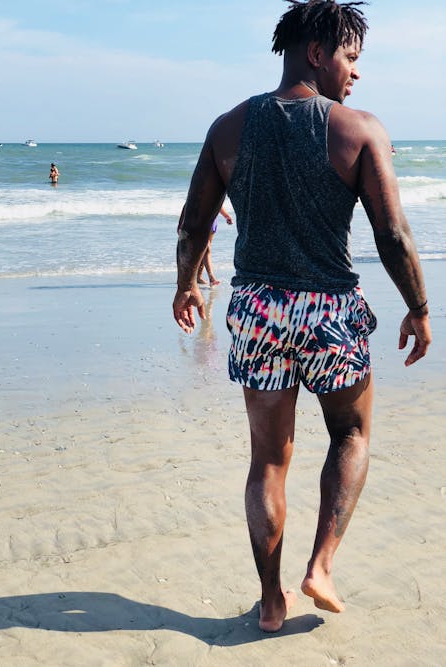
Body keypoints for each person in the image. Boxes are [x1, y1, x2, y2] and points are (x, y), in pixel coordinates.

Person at [173, 0, 431, 633]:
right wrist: (420, 309)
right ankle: (320, 566)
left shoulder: (227, 128)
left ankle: (270, 601)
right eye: (350, 57)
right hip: (329, 310)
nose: (356, 72)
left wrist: (186, 285)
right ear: (316, 53)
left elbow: (192, 223)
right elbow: (393, 234)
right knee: (351, 434)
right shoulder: (359, 130)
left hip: (259, 308)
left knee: (268, 461)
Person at [179, 205, 233, 286]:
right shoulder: (200, 192)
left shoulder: (216, 192)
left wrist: (226, 216)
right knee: (206, 249)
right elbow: (188, 203)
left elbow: (218, 202)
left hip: (212, 222)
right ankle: (211, 278)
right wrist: (181, 223)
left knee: (203, 251)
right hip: (199, 221)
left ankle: (198, 277)